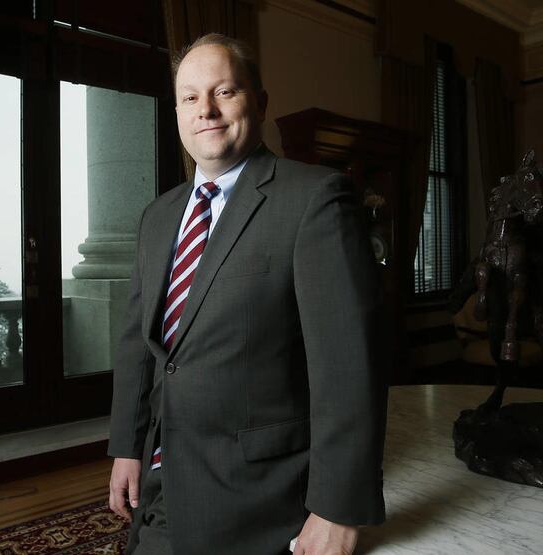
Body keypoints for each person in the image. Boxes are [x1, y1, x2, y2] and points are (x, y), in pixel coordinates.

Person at [107, 33, 387, 555]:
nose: (206, 110)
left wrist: (338, 509)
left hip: (260, 498)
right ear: (177, 112)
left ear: (259, 102)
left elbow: (348, 365)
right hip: (163, 479)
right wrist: (127, 446)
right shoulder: (157, 217)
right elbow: (138, 348)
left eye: (224, 92)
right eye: (190, 97)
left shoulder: (315, 199)